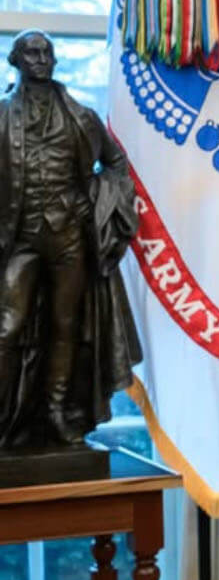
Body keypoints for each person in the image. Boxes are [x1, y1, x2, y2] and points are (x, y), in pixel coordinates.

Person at [0, 31, 140, 449]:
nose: (41, 59)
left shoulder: (81, 117)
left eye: (46, 53)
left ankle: (58, 414)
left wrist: (96, 203)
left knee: (66, 326)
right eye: (32, 53)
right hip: (20, 239)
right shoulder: (4, 116)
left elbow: (117, 165)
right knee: (8, 327)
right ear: (16, 60)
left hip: (69, 239)